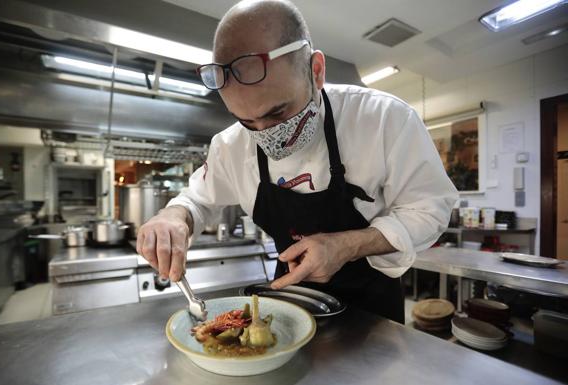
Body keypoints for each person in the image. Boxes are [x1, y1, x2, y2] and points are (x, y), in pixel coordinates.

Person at [136, 0, 458, 323]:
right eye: (247, 122)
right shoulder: (231, 146)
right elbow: (196, 201)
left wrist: (347, 246)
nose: (266, 134)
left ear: (316, 71)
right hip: (285, 310)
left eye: (277, 113)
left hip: (374, 320)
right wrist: (172, 218)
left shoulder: (384, 119)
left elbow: (432, 208)